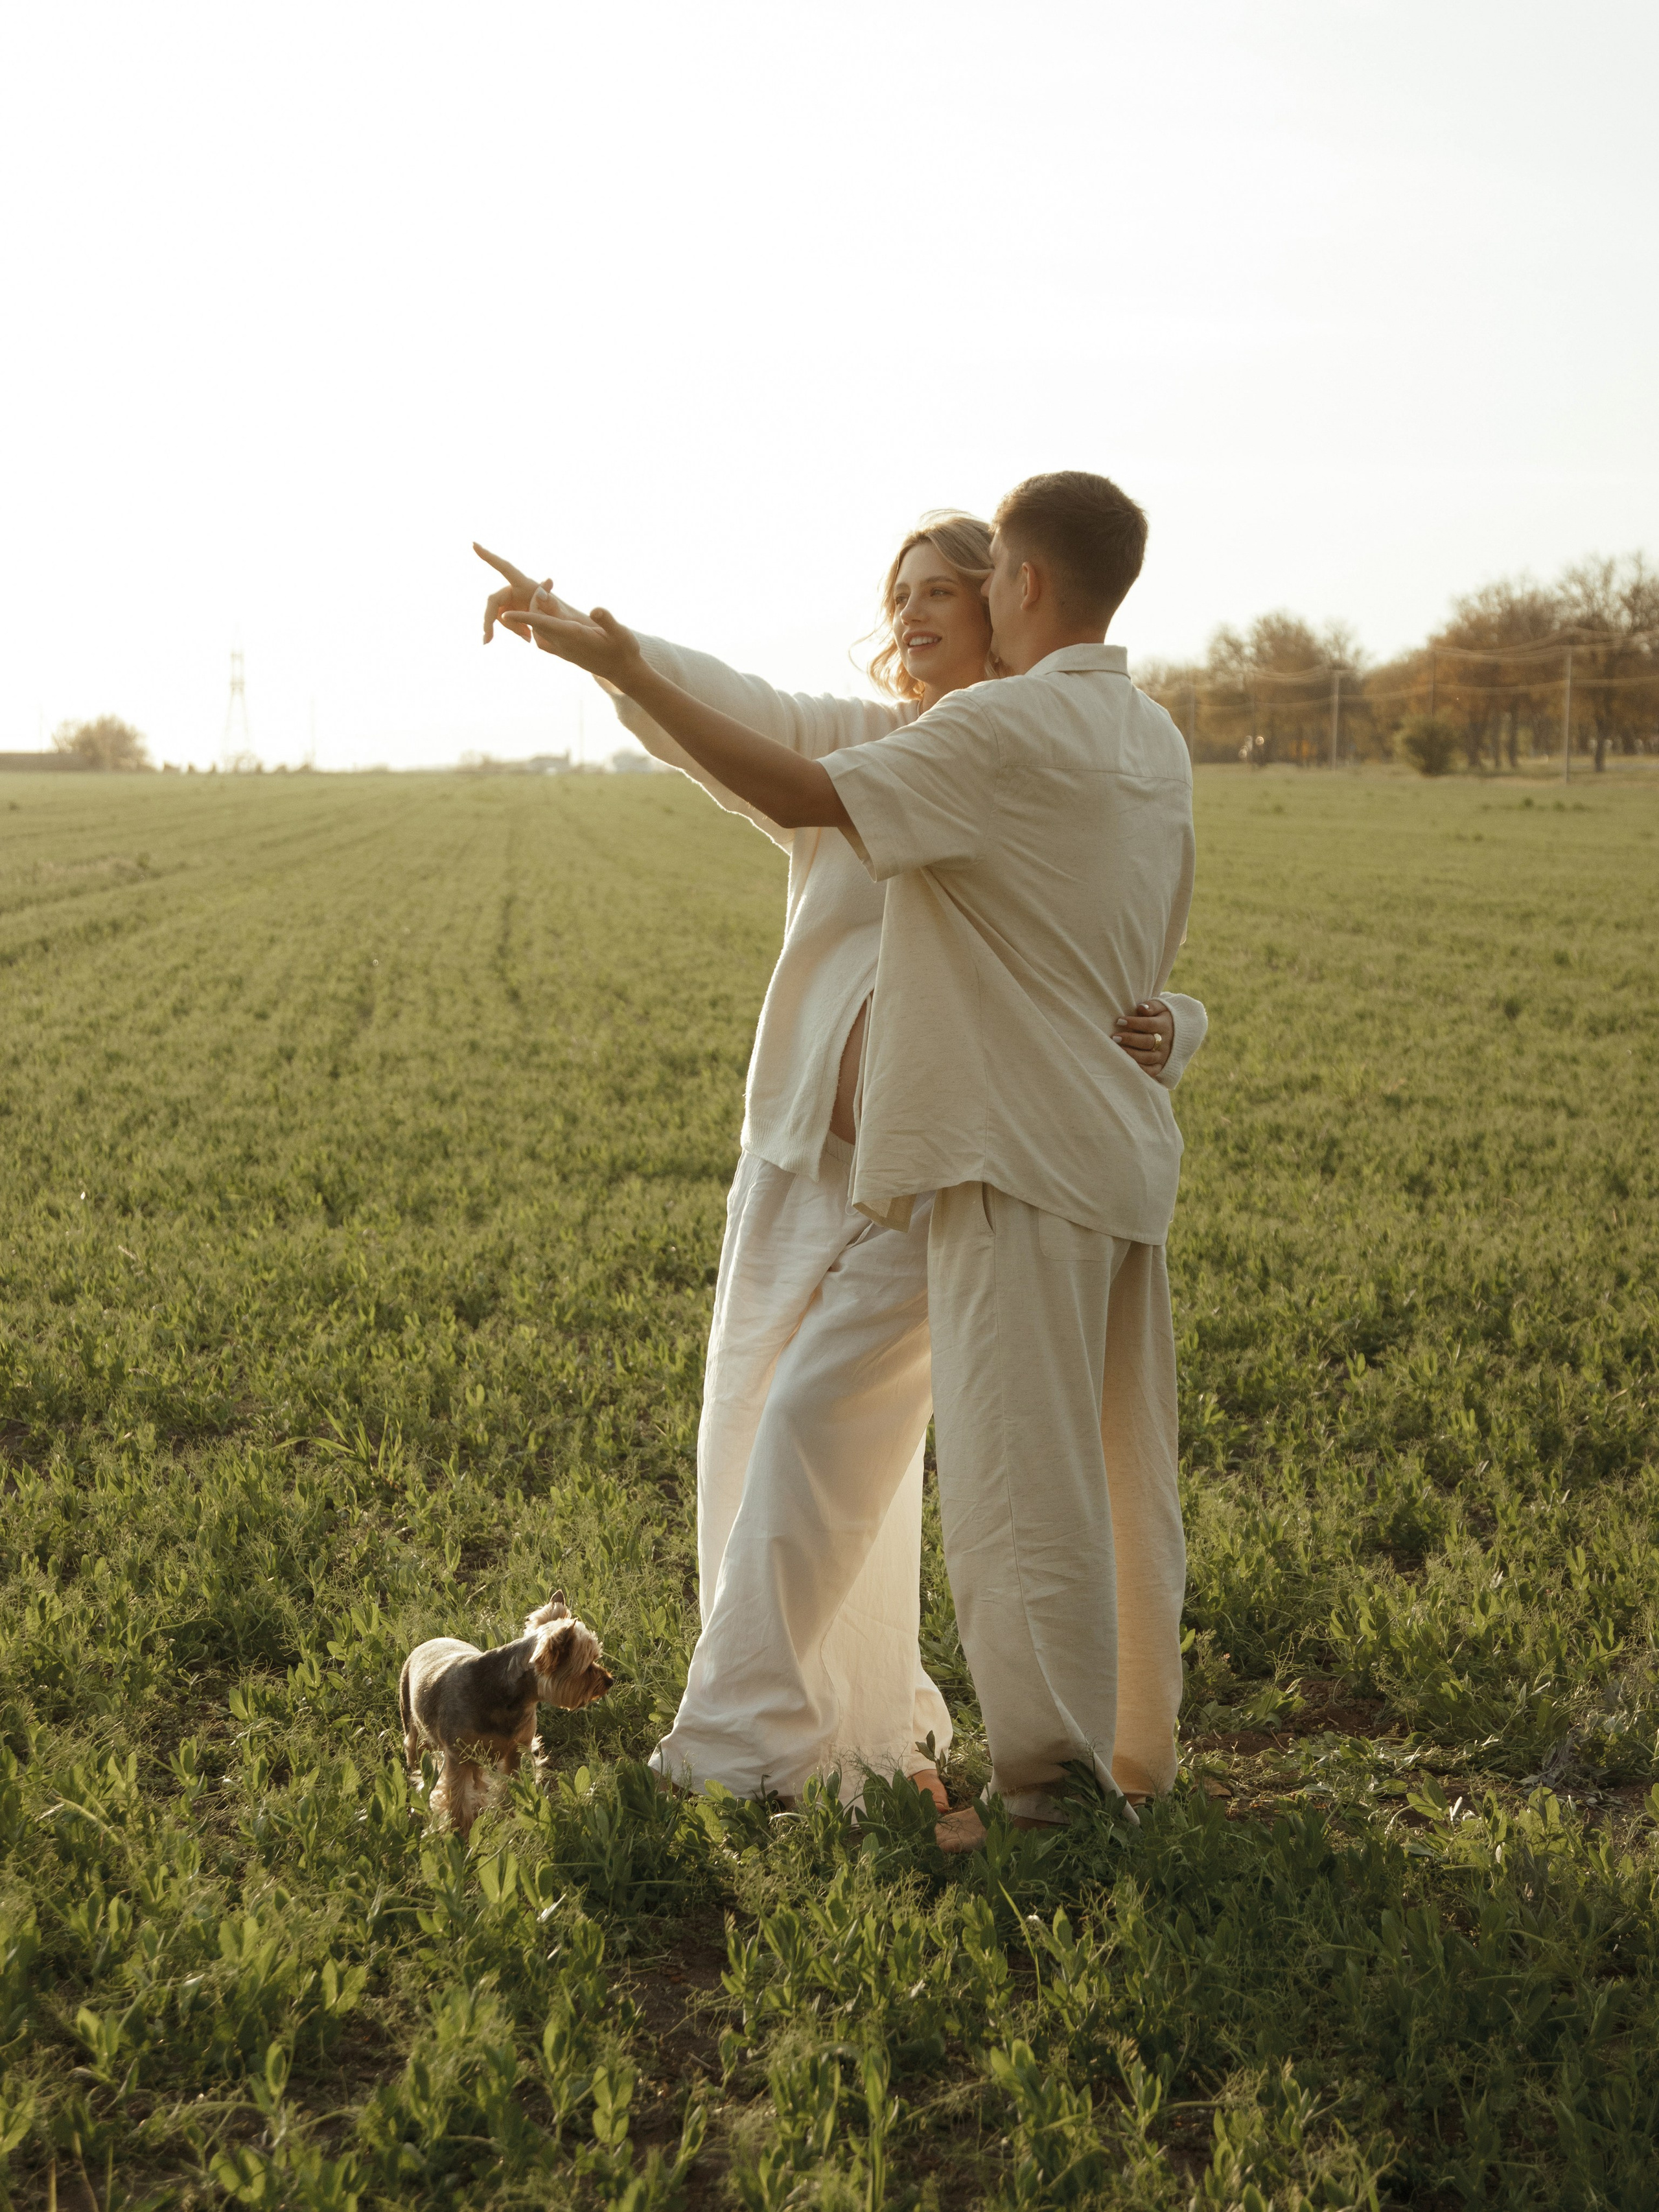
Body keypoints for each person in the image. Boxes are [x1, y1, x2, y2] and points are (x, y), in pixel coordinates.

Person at [477, 489, 1205, 1829]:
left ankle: (754, 1743)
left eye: (947, 586)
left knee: (833, 1435)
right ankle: (811, 1726)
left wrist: (1181, 1020)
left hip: (940, 1176)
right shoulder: (930, 742)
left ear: (1009, 596)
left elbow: (1109, 930)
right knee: (755, 1437)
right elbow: (742, 715)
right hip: (810, 1158)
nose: (917, 610)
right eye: (901, 593)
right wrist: (598, 646)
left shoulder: (1013, 745)